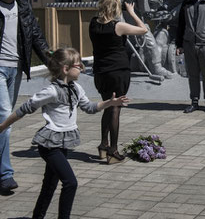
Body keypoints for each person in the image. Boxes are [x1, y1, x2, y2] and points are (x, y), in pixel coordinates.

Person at [0, 48, 129, 218]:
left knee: (49, 185)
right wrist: (2, 127)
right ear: (66, 69)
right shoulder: (51, 91)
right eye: (79, 65)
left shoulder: (76, 88)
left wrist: (110, 103)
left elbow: (89, 108)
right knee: (70, 183)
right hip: (49, 145)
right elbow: (24, 109)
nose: (82, 68)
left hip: (63, 143)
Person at [0, 0, 50, 194]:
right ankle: (5, 175)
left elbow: (36, 37)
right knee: (5, 119)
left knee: (4, 120)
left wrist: (54, 64)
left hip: (16, 69)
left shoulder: (24, 7)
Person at [89, 0, 147, 163]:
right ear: (115, 8)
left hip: (100, 72)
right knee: (115, 109)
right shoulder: (118, 26)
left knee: (107, 105)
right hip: (118, 71)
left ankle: (103, 145)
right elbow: (143, 29)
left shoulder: (92, 23)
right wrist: (132, 12)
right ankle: (113, 151)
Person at [113, 0, 173, 78]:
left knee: (148, 42)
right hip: (126, 17)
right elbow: (114, 4)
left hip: (140, 17)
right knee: (147, 42)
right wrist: (121, 24)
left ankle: (156, 67)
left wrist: (154, 2)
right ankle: (156, 68)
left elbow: (154, 0)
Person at [153, 0, 192, 73]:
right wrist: (156, 3)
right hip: (167, 13)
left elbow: (187, 1)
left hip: (182, 14)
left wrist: (174, 13)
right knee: (160, 31)